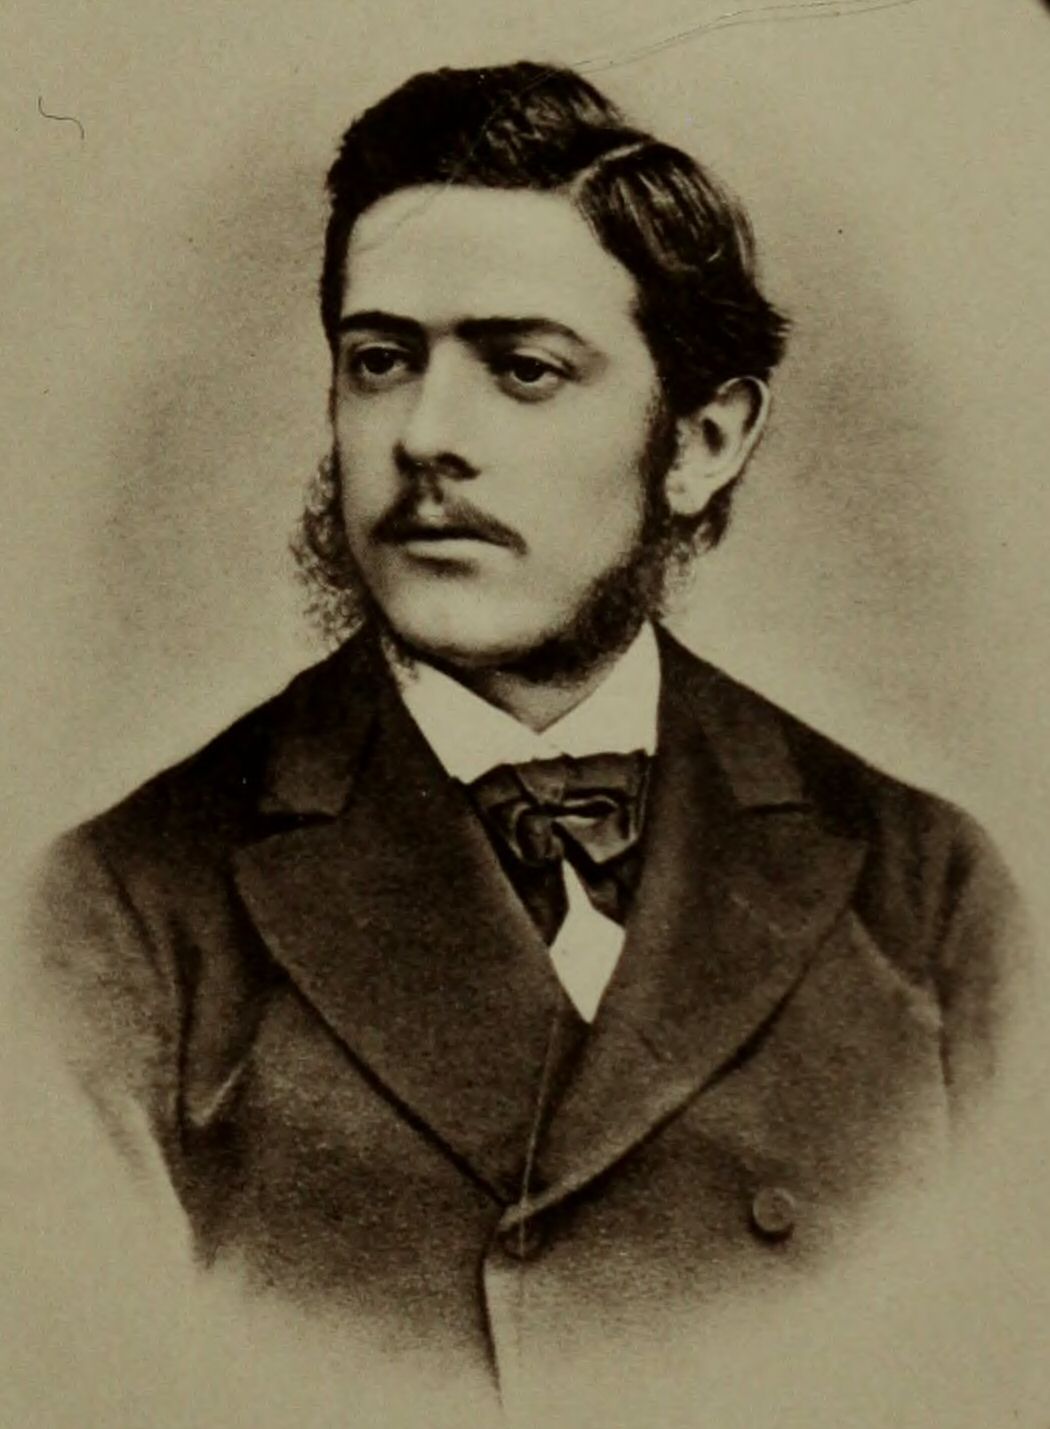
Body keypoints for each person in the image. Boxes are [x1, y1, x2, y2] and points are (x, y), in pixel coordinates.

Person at [26, 60, 1028, 1397]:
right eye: (381, 361)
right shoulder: (119, 918)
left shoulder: (927, 896)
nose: (425, 436)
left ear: (703, 441)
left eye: (524, 369)